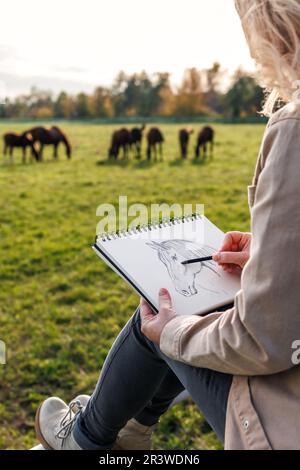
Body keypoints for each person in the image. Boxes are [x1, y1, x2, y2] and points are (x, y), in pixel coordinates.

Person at [35, 0, 300, 450]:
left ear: (270, 27)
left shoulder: (295, 126)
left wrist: (171, 332)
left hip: (285, 424)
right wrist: (271, 251)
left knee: (161, 315)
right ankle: (130, 431)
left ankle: (83, 439)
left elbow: (260, 340)